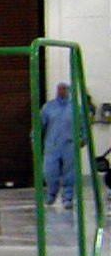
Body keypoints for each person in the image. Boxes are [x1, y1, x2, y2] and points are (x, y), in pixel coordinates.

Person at [41, 82, 76, 210]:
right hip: (52, 145)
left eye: (64, 89)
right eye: (59, 89)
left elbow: (83, 124)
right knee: (49, 171)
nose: (61, 91)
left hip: (69, 144)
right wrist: (35, 137)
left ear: (68, 91)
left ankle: (68, 198)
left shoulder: (74, 108)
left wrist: (83, 138)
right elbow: (39, 124)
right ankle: (51, 194)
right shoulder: (48, 107)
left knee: (70, 173)